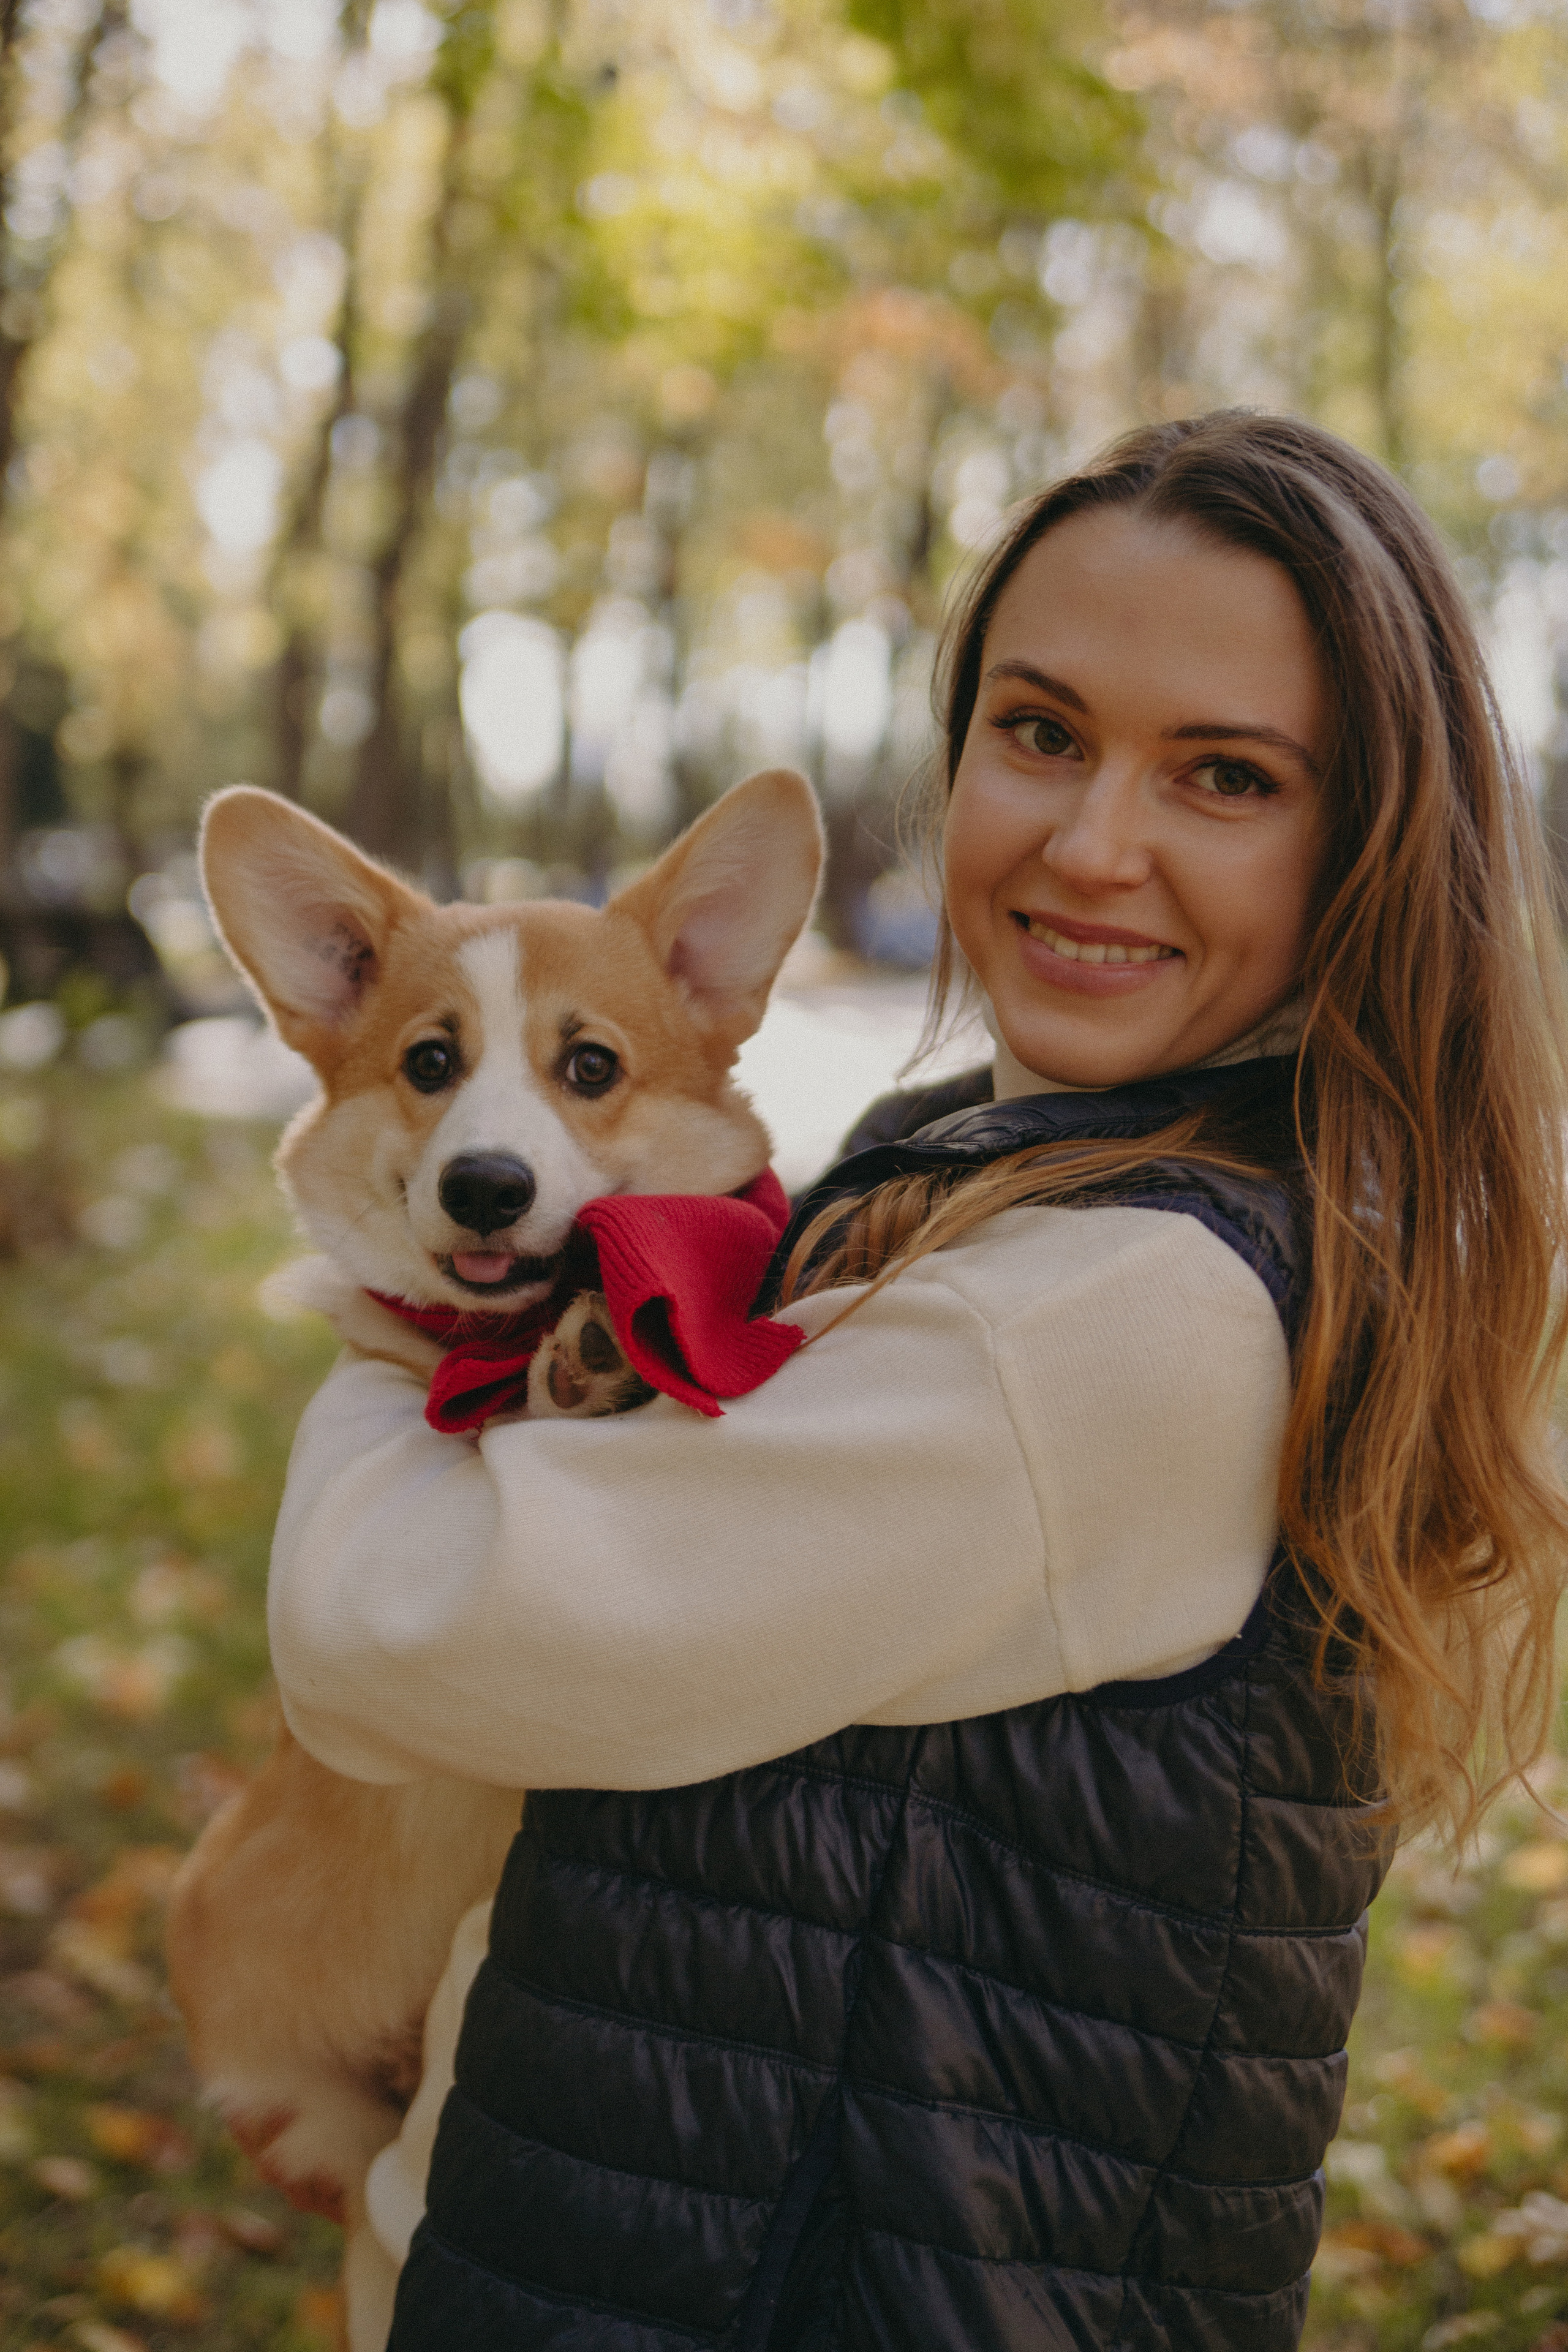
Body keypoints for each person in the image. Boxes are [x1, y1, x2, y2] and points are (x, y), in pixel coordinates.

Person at [268, 410, 1568, 2350]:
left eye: (1224, 775)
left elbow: (387, 1627)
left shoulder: (1110, 1319)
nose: (1090, 842)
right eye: (1041, 732)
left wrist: (389, 1336)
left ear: (1366, 844)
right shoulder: (1033, 1159)